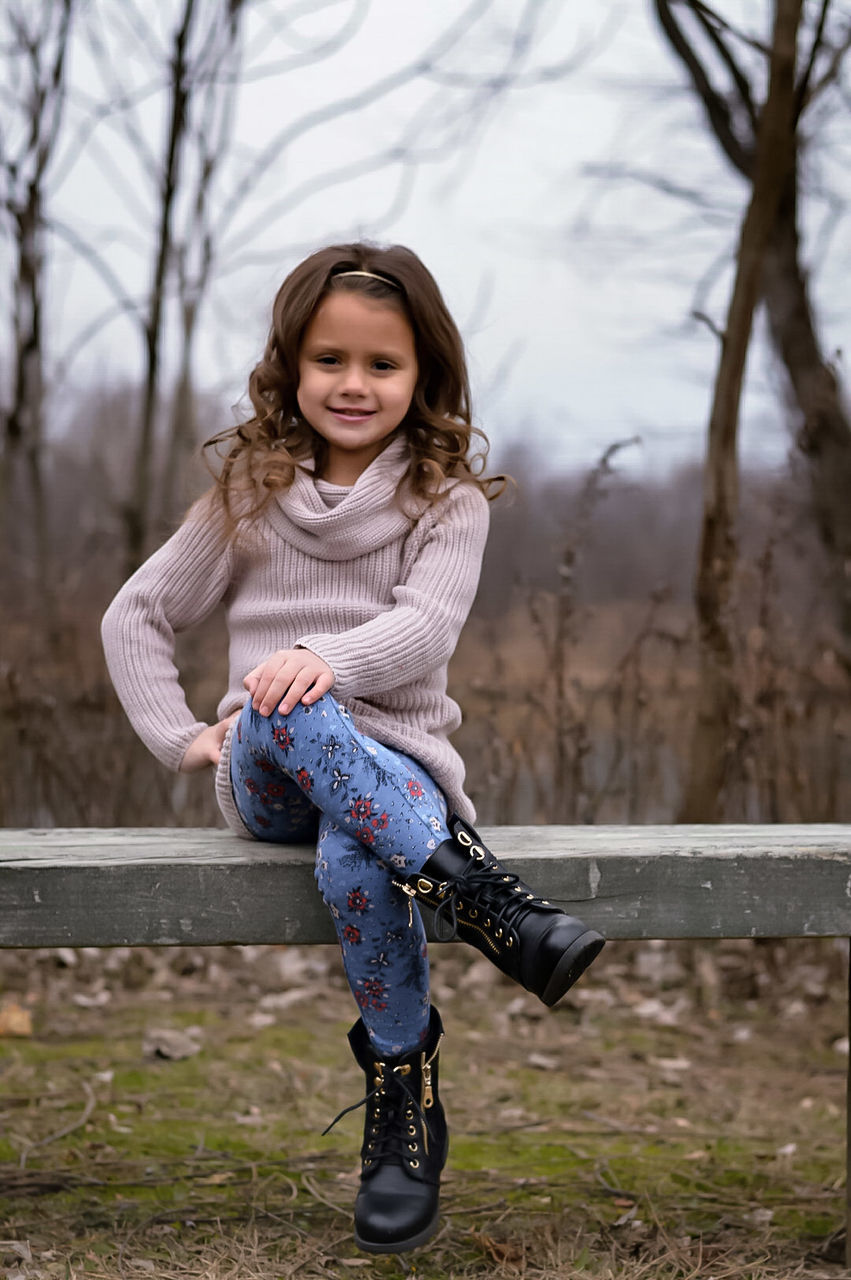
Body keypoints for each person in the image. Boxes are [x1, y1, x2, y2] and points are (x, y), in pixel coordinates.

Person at [101, 242, 604, 1255]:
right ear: (290, 364)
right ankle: (478, 894)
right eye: (329, 358)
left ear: (423, 377)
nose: (353, 383)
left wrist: (313, 655)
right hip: (267, 767)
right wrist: (179, 733)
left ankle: (400, 1103)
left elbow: (422, 632)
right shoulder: (248, 491)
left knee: (354, 859)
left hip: (397, 769)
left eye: (382, 363)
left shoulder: (443, 499)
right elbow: (137, 613)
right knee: (279, 703)